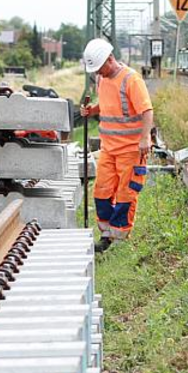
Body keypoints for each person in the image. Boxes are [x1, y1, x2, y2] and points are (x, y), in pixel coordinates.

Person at [80, 38, 154, 253]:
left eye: (100, 68)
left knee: (125, 194)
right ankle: (106, 235)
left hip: (131, 150)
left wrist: (144, 138)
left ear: (110, 59)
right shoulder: (102, 79)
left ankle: (119, 239)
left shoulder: (131, 79)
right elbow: (108, 104)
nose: (98, 73)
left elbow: (147, 111)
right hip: (108, 148)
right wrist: (92, 110)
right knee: (101, 191)